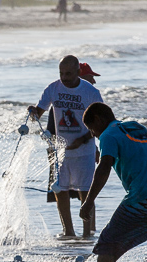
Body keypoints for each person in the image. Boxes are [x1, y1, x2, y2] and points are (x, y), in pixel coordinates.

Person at [79, 102, 147, 262]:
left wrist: (88, 202)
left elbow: (104, 168)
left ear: (97, 120)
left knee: (106, 244)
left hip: (141, 197)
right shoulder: (136, 127)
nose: (92, 134)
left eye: (91, 128)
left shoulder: (108, 135)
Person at [28, 55, 102, 239]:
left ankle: (87, 235)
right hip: (61, 151)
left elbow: (102, 122)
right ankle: (68, 232)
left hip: (85, 151)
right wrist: (33, 112)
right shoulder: (53, 88)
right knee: (60, 190)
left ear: (78, 72)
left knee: (86, 192)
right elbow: (39, 111)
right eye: (61, 73)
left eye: (68, 73)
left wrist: (84, 139)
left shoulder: (90, 92)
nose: (64, 77)